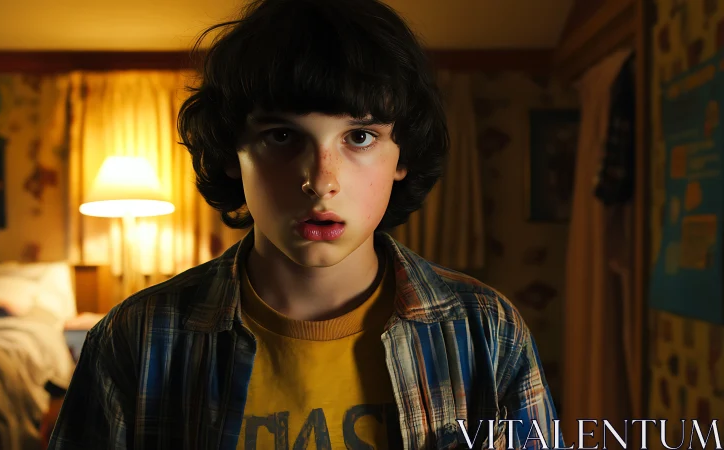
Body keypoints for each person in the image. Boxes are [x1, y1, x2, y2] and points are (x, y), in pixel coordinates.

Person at [49, 0, 563, 448]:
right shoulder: (137, 339)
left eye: (359, 137)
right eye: (281, 137)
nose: (320, 181)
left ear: (401, 155)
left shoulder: (485, 331)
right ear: (234, 152)